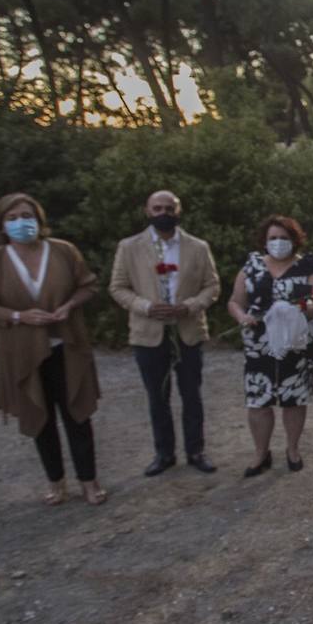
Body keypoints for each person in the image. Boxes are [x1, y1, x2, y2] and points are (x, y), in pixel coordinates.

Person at [0, 193, 106, 505]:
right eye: (12, 218)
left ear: (39, 220)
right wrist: (18, 316)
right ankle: (56, 482)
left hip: (67, 346)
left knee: (77, 414)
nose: (21, 222)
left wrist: (69, 305)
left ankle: (89, 480)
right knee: (39, 415)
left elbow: (89, 285)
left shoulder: (63, 251)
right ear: (2, 224)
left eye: (27, 215)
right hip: (23, 351)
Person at [109, 190, 222, 477]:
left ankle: (195, 451)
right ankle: (164, 454)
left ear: (178, 211)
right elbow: (118, 287)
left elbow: (212, 286)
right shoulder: (129, 246)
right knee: (157, 397)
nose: (163, 213)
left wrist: (190, 306)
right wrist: (145, 306)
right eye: (157, 208)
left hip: (188, 331)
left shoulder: (198, 247)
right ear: (147, 211)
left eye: (169, 208)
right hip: (148, 333)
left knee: (191, 395)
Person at [226, 215, 313, 476]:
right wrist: (242, 317)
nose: (278, 243)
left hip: (296, 345)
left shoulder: (309, 267)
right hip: (258, 343)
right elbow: (234, 302)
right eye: (273, 238)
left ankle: (293, 449)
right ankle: (260, 453)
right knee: (258, 400)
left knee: (294, 399)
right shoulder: (251, 267)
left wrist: (302, 307)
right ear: (264, 241)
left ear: (294, 241)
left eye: (284, 238)